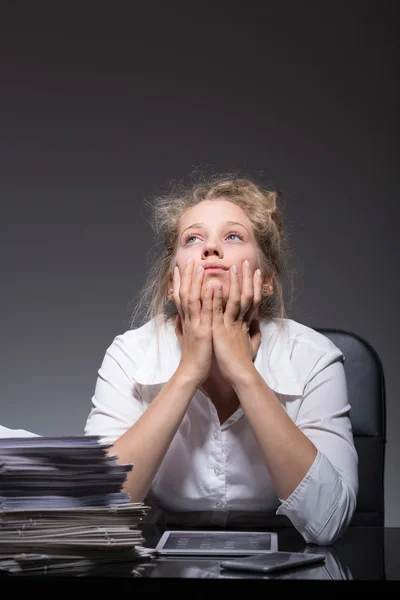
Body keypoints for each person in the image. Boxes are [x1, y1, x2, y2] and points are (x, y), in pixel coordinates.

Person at [84, 174, 358, 545]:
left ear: (266, 281)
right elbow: (95, 513)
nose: (210, 248)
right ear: (170, 281)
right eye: (193, 238)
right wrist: (189, 372)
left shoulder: (315, 357)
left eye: (233, 237)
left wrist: (243, 372)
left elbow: (328, 522)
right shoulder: (128, 354)